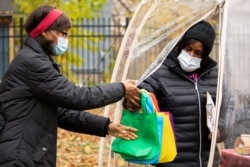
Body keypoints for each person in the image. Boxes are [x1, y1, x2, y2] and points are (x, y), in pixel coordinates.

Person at [0, 5, 140, 167]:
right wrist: (121, 88)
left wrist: (106, 126)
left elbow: (62, 113)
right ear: (44, 31)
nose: (65, 39)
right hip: (19, 155)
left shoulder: (36, 60)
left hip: (26, 153)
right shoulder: (32, 62)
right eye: (62, 33)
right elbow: (77, 96)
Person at [126, 20, 217, 167]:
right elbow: (141, 92)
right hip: (171, 159)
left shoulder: (214, 74)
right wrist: (132, 99)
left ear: (205, 55)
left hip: (206, 159)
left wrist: (221, 128)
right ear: (181, 46)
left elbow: (228, 106)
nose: (191, 55)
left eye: (198, 53)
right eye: (188, 49)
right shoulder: (161, 71)